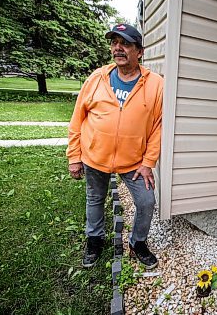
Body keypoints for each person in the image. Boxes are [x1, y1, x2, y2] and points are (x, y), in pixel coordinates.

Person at [66, 24, 163, 269]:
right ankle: (94, 240)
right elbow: (77, 118)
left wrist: (148, 162)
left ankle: (138, 243)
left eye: (125, 43)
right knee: (95, 199)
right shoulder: (96, 79)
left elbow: (158, 127)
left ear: (139, 52)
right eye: (114, 43)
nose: (118, 48)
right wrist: (74, 156)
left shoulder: (156, 84)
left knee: (146, 201)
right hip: (94, 156)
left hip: (134, 162)